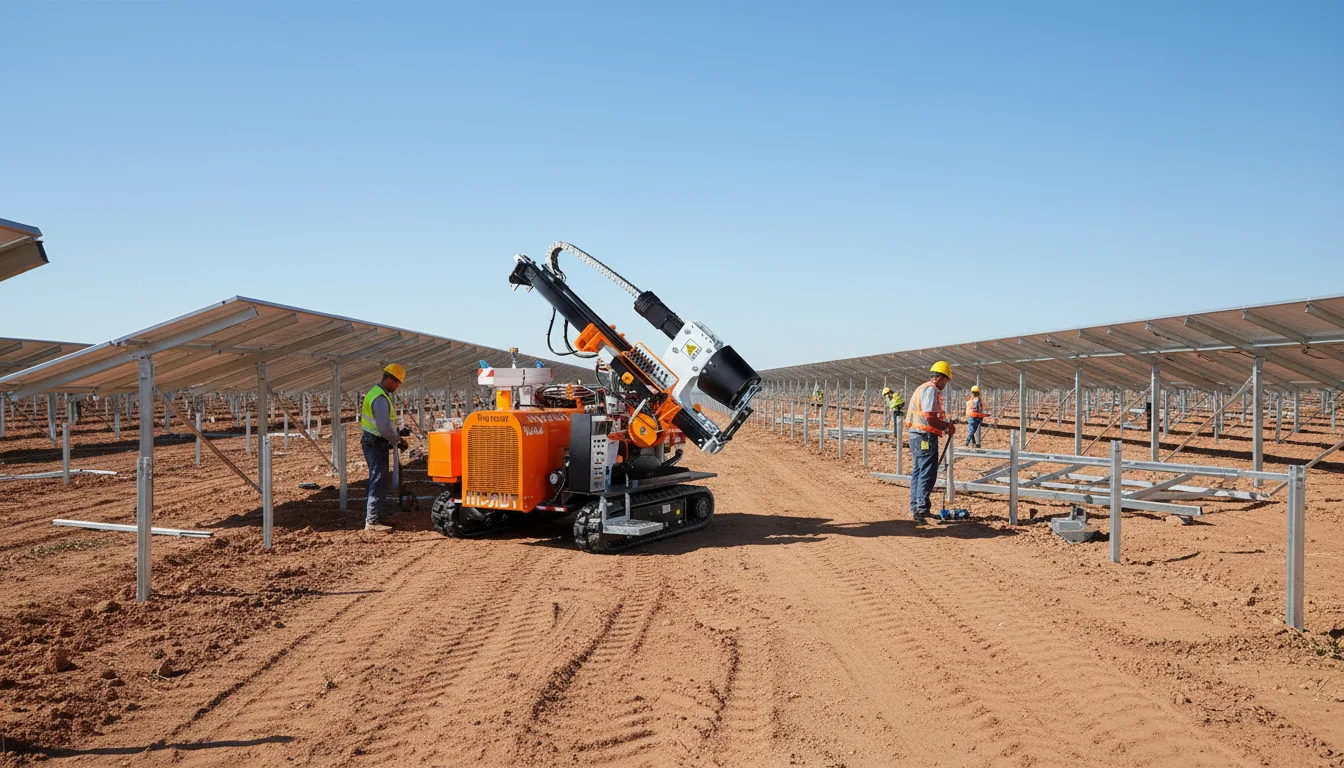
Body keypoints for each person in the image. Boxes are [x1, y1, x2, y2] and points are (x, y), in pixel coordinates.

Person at [360, 363, 409, 533]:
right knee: (378, 479)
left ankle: (377, 516)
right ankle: (372, 521)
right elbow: (383, 427)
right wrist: (397, 440)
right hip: (375, 442)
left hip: (374, 441)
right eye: (397, 383)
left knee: (378, 478)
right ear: (389, 379)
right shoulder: (380, 397)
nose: (397, 387)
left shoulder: (377, 393)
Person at [905, 361, 955, 522]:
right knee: (927, 472)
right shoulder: (931, 390)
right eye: (946, 380)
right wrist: (947, 426)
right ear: (941, 377)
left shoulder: (923, 387)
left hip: (917, 435)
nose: (945, 384)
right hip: (924, 436)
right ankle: (921, 509)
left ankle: (916, 507)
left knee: (919, 471)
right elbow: (929, 417)